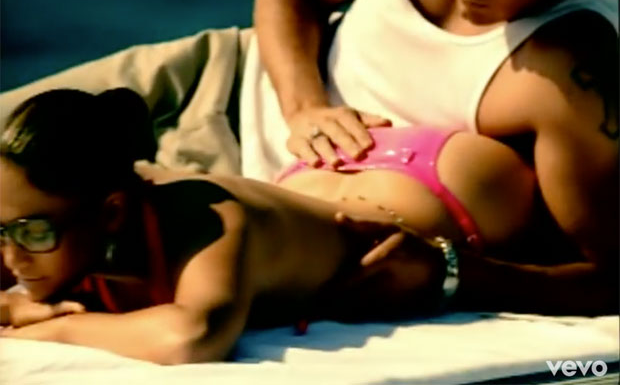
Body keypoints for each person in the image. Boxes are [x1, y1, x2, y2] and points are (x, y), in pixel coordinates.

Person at [0, 87, 574, 364]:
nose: (13, 257)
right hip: (316, 177)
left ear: (111, 213)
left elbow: (193, 336)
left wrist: (53, 329)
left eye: (32, 233)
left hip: (443, 190)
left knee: (589, 263)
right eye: (2, 233)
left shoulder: (202, 222)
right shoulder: (67, 221)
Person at [241, 0, 618, 313]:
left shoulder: (576, 78)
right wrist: (303, 107)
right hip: (231, 90)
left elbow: (608, 278)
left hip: (301, 218)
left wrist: (450, 273)